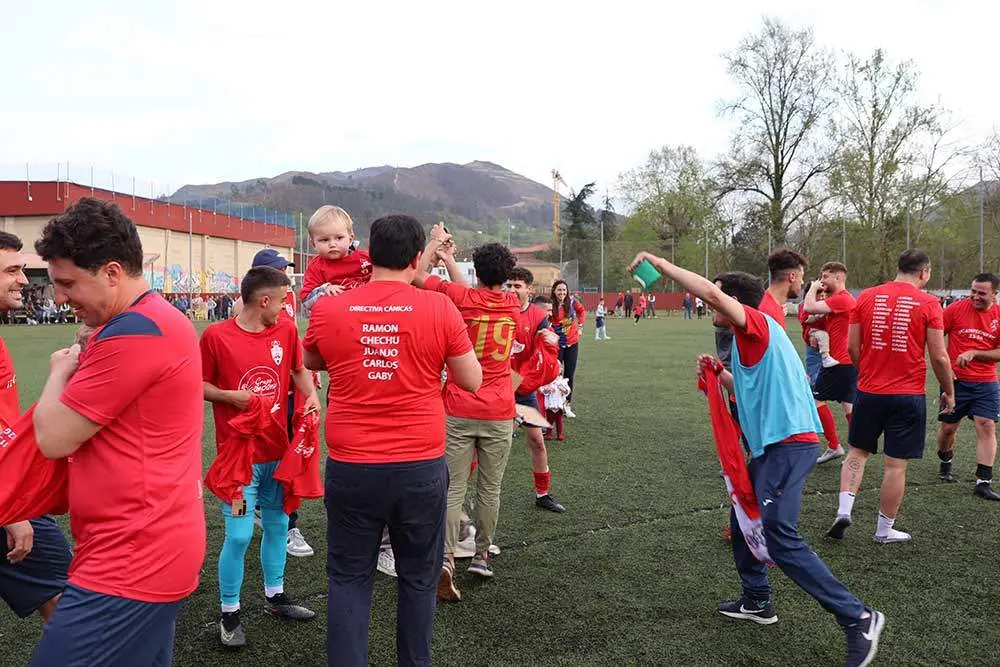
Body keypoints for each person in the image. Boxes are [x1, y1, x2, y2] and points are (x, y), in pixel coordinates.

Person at [629, 250, 884, 667]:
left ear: (730, 302)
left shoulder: (756, 325)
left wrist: (660, 264)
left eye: (717, 301)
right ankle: (757, 600)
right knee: (743, 515)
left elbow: (710, 291)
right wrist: (721, 375)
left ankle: (858, 617)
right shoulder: (751, 341)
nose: (709, 307)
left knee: (779, 534)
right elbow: (754, 387)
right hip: (772, 445)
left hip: (791, 442)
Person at [31, 198, 206, 666]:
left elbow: (53, 438)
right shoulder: (150, 320)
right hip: (140, 545)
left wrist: (58, 372)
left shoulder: (137, 331)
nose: (61, 298)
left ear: (112, 272)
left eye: (68, 283)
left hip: (133, 556)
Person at [303, 214, 481, 666]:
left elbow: (313, 358)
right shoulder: (439, 308)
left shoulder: (330, 308)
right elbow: (471, 379)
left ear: (368, 251)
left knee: (349, 577)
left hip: (352, 466)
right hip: (419, 465)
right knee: (419, 578)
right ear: (416, 255)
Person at [201, 266, 322, 648]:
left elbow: (299, 371)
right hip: (240, 460)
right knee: (238, 536)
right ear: (264, 300)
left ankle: (275, 597)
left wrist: (313, 396)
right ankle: (230, 613)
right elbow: (198, 385)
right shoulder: (215, 336)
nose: (289, 306)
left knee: (276, 526)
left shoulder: (286, 329)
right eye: (285, 299)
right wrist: (229, 397)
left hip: (278, 455)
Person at [413, 228, 521, 598]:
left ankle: (444, 558)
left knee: (452, 488)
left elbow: (414, 276)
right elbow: (476, 294)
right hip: (499, 410)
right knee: (490, 488)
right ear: (506, 276)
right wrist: (447, 259)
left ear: (474, 270)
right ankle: (481, 556)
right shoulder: (513, 304)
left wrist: (436, 246)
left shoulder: (462, 297)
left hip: (458, 406)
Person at [827, 249, 954, 544]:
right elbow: (939, 356)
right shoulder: (929, 303)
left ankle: (844, 510)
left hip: (870, 391)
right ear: (925, 271)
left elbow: (851, 346)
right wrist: (949, 390)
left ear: (898, 268)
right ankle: (884, 530)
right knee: (895, 465)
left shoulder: (867, 297)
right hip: (908, 395)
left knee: (858, 452)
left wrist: (868, 371)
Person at [0, 232, 72, 627]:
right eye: (12, 270)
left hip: (12, 486)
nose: (24, 281)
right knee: (69, 601)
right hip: (7, 497)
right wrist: (9, 510)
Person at [234, 248, 316, 558]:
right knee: (238, 524)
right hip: (248, 420)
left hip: (287, 401)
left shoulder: (284, 314)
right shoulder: (234, 322)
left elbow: (294, 360)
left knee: (285, 464)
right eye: (280, 270)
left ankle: (286, 524)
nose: (286, 275)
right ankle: (249, 511)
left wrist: (307, 387)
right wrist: (236, 397)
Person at [504, 268, 566, 513]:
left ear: (529, 289)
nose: (511, 290)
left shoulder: (538, 316)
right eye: (509, 285)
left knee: (537, 442)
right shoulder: (499, 310)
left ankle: (543, 494)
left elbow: (545, 350)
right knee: (490, 445)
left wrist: (551, 342)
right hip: (501, 387)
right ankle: (459, 497)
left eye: (517, 286)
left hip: (523, 387)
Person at [935, 273, 1000, 500]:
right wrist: (945, 368)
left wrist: (975, 353)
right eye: (973, 291)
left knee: (987, 426)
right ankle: (945, 458)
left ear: (994, 294)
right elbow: (934, 336)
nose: (975, 296)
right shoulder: (954, 310)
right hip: (955, 381)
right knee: (948, 430)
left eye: (981, 293)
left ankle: (983, 481)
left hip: (987, 382)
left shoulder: (999, 316)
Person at [803, 262, 856, 465]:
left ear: (838, 278)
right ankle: (854, 452)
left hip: (838, 363)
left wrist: (814, 288)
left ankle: (835, 445)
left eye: (825, 276)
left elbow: (808, 307)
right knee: (849, 406)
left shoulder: (842, 299)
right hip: (846, 362)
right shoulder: (840, 300)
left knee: (815, 401)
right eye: (821, 277)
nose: (822, 280)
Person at [299, 205, 373, 313]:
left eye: (339, 238)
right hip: (337, 316)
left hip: (367, 313)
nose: (332, 244)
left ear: (351, 238)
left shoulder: (366, 258)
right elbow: (306, 300)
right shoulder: (316, 266)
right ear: (313, 244)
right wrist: (324, 290)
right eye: (324, 240)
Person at [551, 280, 586, 418]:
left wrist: (581, 327)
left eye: (564, 290)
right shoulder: (550, 304)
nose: (562, 293)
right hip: (556, 345)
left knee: (569, 375)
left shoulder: (571, 302)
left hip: (572, 343)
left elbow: (581, 311)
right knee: (555, 375)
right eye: (559, 290)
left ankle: (567, 405)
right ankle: (554, 405)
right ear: (554, 291)